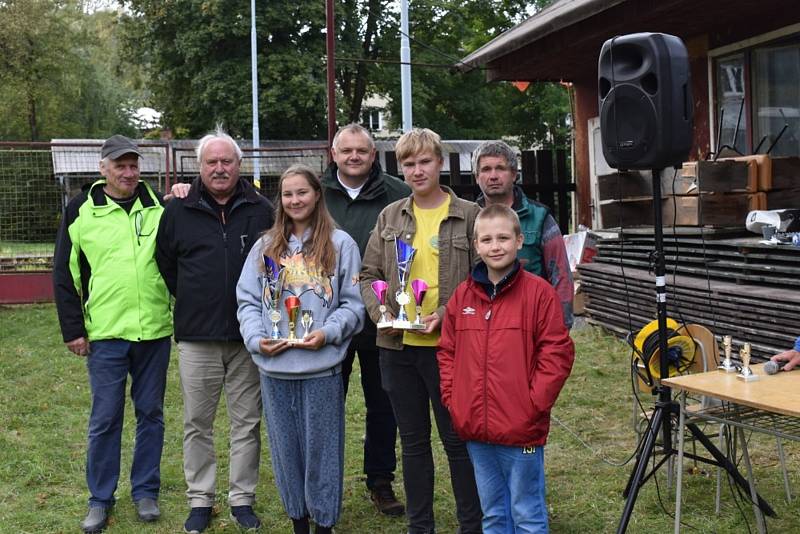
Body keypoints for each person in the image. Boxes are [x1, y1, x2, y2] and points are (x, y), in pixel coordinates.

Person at [360, 128, 483, 534]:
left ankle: (471, 524)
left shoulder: (468, 214)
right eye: (408, 164)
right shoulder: (390, 216)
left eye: (424, 161)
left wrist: (447, 313)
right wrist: (380, 312)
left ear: (440, 163)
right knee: (412, 443)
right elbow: (369, 274)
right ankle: (420, 526)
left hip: (451, 347)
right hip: (398, 346)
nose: (416, 170)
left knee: (456, 440)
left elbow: (483, 278)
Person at [156, 127, 274, 533]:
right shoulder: (177, 210)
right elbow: (166, 263)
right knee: (197, 422)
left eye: (227, 161)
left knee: (247, 422)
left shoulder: (262, 208)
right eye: (212, 162)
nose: (220, 168)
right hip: (197, 336)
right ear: (200, 167)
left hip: (248, 335)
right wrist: (193, 297)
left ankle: (242, 498)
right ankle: (200, 498)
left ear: (239, 165)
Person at [53, 135, 172, 533]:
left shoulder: (158, 207)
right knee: (105, 418)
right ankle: (100, 498)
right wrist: (73, 329)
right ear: (102, 169)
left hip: (154, 330)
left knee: (151, 414)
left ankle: (145, 491)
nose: (128, 172)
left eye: (133, 165)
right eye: (120, 165)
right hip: (105, 333)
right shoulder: (80, 210)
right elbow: (64, 274)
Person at [236, 164, 365, 534]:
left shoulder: (341, 245)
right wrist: (257, 339)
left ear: (317, 195)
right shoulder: (265, 247)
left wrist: (328, 333)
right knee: (285, 453)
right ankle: (299, 521)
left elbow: (354, 305)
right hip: (275, 368)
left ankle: (324, 523)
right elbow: (247, 301)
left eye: (302, 192)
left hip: (320, 369)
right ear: (280, 200)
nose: (295, 200)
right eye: (288, 194)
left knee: (322, 453)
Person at [438, 204, 575, 533]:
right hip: (476, 429)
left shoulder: (539, 293)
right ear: (476, 244)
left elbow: (557, 352)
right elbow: (447, 351)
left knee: (526, 510)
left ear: (518, 241)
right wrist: (454, 399)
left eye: (503, 238)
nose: (495, 246)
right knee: (494, 512)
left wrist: (533, 404)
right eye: (486, 239)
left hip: (521, 429)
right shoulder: (462, 297)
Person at [321, 123, 410, 516]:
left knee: (383, 403)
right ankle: (325, 481)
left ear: (374, 156)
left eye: (362, 151)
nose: (354, 157)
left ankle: (380, 480)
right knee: (326, 405)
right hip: (328, 320)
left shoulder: (397, 194)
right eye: (347, 151)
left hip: (383, 318)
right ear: (334, 154)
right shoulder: (316, 192)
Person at [472, 140, 574, 328]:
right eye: (486, 169)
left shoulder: (540, 218)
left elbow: (561, 276)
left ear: (514, 174)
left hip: (531, 322)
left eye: (500, 168)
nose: (493, 176)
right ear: (476, 177)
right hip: (480, 325)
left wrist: (560, 327)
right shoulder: (468, 218)